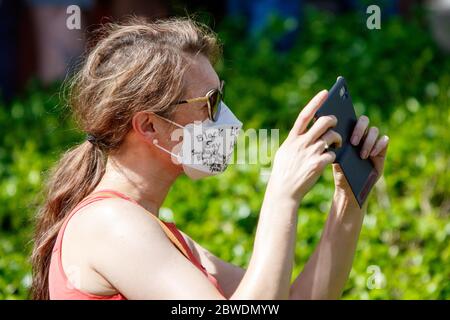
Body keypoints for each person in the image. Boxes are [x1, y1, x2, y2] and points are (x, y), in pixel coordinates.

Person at [31, 17, 389, 300]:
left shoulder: (158, 235)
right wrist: (281, 195)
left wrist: (349, 198)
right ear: (149, 125)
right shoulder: (109, 224)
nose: (226, 118)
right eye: (210, 103)